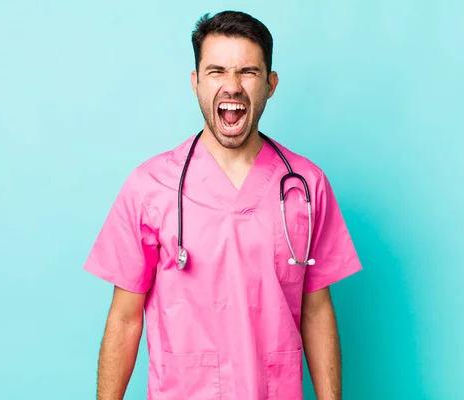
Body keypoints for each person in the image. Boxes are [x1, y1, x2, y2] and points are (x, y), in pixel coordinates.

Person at [83, 10, 362, 400]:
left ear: (270, 84)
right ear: (196, 83)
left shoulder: (306, 186)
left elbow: (316, 311)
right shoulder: (150, 186)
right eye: (216, 71)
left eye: (248, 72)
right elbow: (126, 318)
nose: (232, 86)